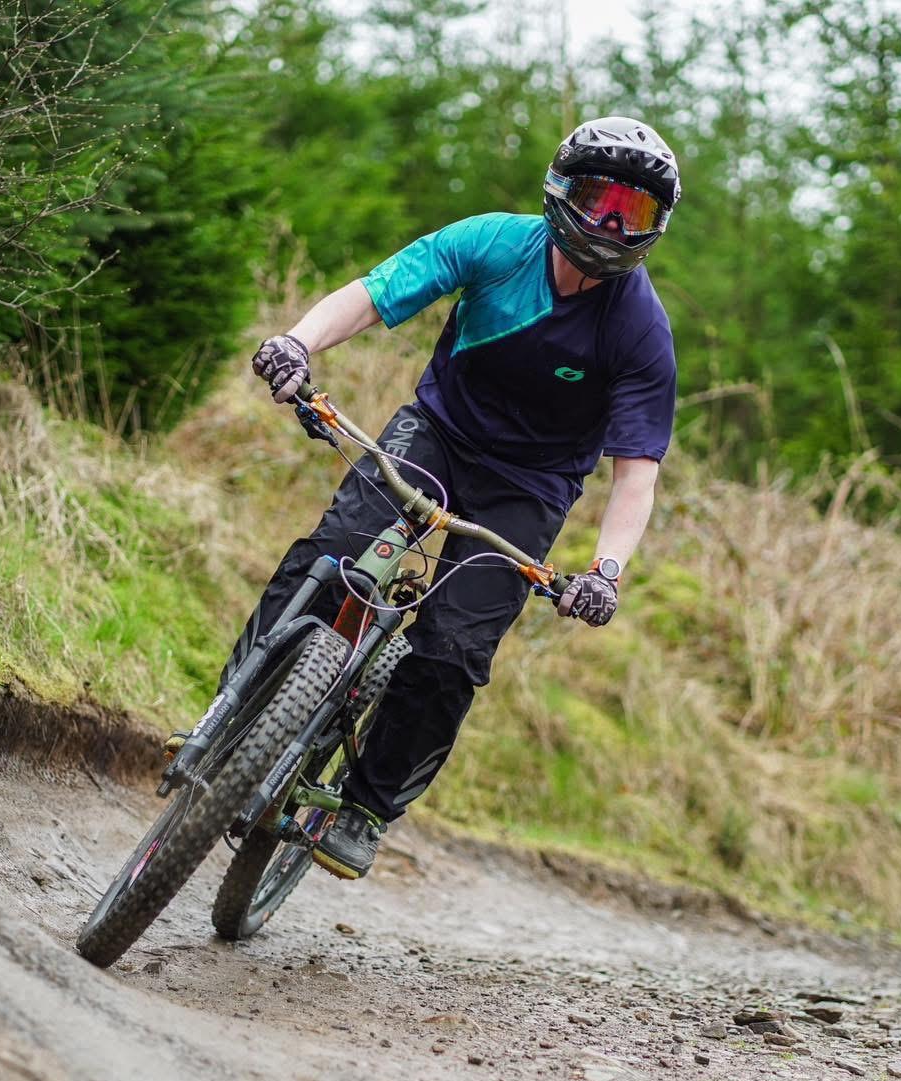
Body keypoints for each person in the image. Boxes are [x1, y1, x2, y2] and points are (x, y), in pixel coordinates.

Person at [230, 116, 680, 880]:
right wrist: (298, 343)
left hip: (530, 486)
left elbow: (636, 472)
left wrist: (606, 573)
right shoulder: (494, 243)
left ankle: (366, 807)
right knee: (333, 555)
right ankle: (237, 713)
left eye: (630, 213)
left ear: (653, 227)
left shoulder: (640, 329)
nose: (610, 226)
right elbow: (375, 293)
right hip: (435, 432)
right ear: (562, 191)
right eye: (600, 202)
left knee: (453, 650)